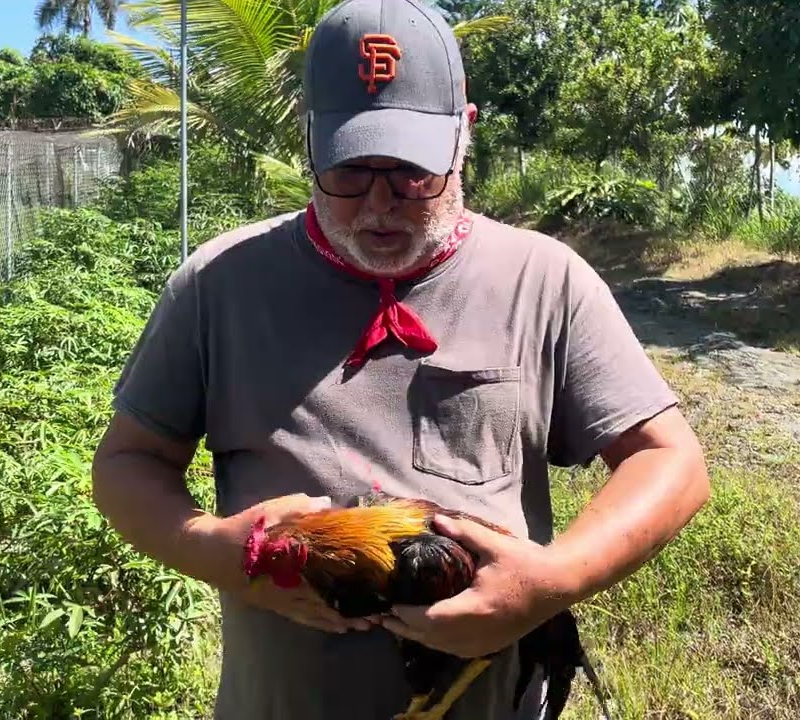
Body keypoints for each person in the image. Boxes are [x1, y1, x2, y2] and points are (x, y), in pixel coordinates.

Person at [90, 0, 711, 717]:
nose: (379, 204)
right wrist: (219, 554)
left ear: (462, 139)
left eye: (414, 172)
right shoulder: (220, 284)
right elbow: (127, 463)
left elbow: (673, 462)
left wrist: (553, 580)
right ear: (310, 145)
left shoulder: (544, 279)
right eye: (350, 170)